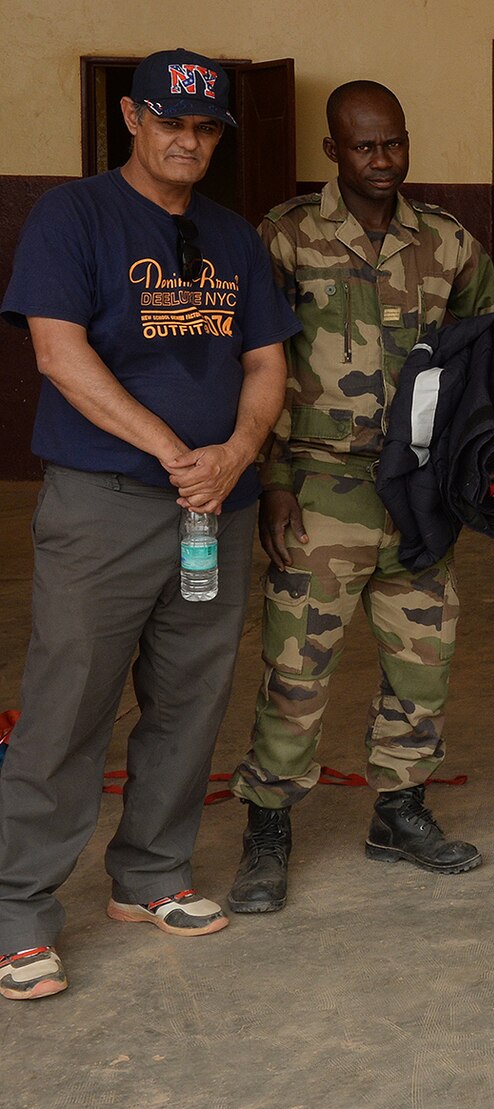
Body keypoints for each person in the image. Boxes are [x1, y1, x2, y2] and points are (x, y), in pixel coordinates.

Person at [0, 50, 297, 1000]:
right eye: (173, 121)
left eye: (207, 127)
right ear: (133, 116)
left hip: (216, 505)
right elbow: (57, 350)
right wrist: (176, 451)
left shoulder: (233, 236)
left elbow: (265, 360)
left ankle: (151, 873)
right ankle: (18, 911)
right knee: (69, 700)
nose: (189, 140)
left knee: (189, 693)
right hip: (108, 502)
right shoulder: (73, 215)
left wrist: (236, 455)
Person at [223, 81, 494, 913]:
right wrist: (271, 480)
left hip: (418, 491)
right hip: (321, 486)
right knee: (296, 666)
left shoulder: (447, 240)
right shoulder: (284, 236)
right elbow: (254, 364)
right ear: (333, 152)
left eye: (394, 143)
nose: (382, 160)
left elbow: (493, 343)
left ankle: (400, 809)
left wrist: (469, 463)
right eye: (364, 146)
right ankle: (268, 829)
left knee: (423, 658)